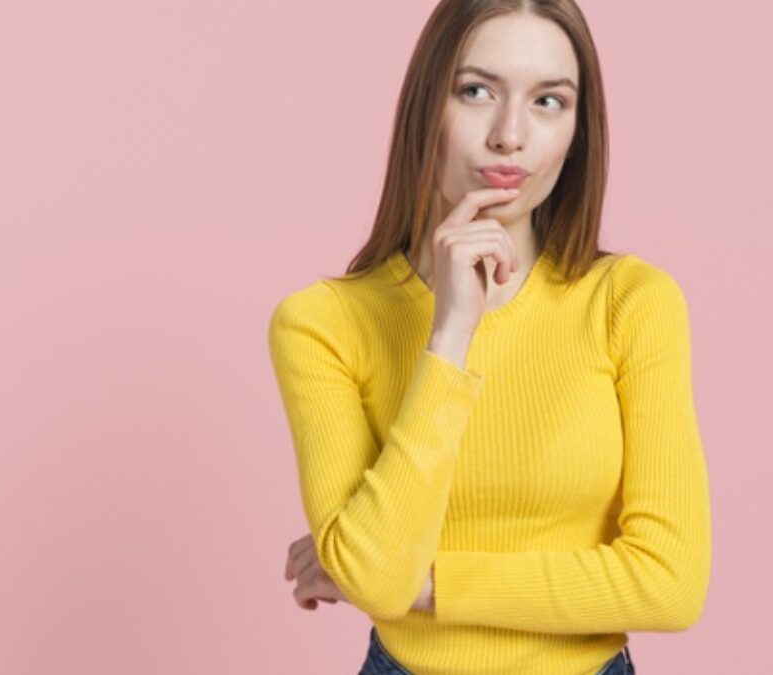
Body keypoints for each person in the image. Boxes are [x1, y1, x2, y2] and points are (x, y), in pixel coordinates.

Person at [267, 1, 711, 673]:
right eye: (476, 92)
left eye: (548, 102)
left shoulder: (631, 301)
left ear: (578, 131)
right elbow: (377, 582)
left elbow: (670, 585)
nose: (510, 135)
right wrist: (450, 334)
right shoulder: (322, 323)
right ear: (427, 106)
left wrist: (426, 585)